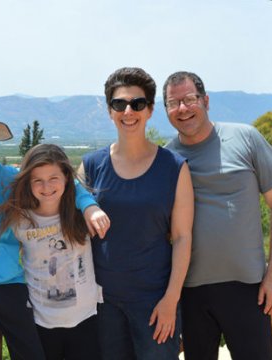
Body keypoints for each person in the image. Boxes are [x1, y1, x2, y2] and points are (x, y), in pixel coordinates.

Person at [0, 102, 109, 360]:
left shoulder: (6, 177)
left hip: (9, 281)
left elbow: (60, 179)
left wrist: (88, 206)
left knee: (31, 351)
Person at [163, 71, 272, 360]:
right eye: (174, 102)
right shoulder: (168, 159)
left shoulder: (246, 137)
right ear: (167, 111)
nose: (183, 108)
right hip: (192, 291)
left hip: (249, 287)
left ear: (206, 101)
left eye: (190, 99)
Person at [80, 67, 194, 360]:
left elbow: (182, 237)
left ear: (150, 110)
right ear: (110, 111)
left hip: (155, 303)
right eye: (120, 104)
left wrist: (171, 300)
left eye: (137, 104)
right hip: (102, 304)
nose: (128, 111)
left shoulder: (174, 167)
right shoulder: (91, 166)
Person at [0, 143, 105, 360]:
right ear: (28, 182)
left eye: (53, 178)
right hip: (40, 323)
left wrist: (89, 206)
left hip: (85, 319)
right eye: (38, 180)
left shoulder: (81, 216)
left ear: (66, 177)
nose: (46, 186)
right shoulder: (20, 220)